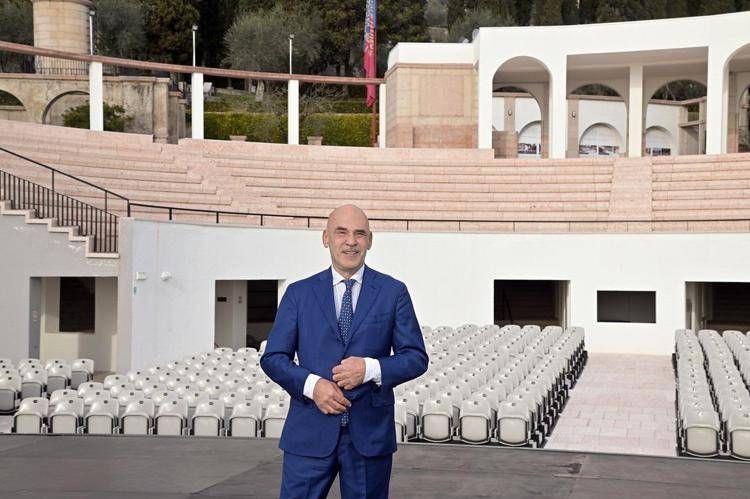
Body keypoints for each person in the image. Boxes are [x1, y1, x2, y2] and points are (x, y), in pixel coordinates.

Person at [260, 204, 429, 499]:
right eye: (341, 232)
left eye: (359, 234)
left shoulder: (393, 292)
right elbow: (273, 358)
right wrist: (313, 387)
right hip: (309, 434)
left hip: (369, 437)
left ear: (370, 240)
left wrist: (370, 368)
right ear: (326, 238)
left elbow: (416, 357)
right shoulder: (298, 294)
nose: (351, 241)